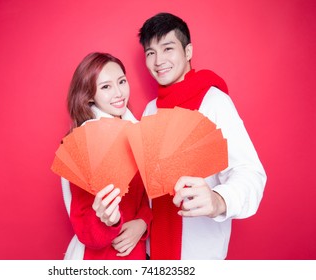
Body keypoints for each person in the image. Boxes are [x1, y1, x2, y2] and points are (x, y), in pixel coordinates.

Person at [138, 12, 267, 259]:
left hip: (198, 256)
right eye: (150, 53)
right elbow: (146, 185)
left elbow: (250, 173)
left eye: (167, 48)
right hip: (152, 253)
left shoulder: (214, 102)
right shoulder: (150, 110)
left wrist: (218, 200)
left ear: (187, 52)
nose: (158, 60)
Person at [59, 52, 152, 260]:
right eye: (106, 87)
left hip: (136, 254)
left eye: (121, 82)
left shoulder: (138, 132)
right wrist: (108, 220)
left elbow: (145, 197)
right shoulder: (83, 143)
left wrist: (143, 222)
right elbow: (84, 227)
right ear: (90, 95)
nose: (119, 93)